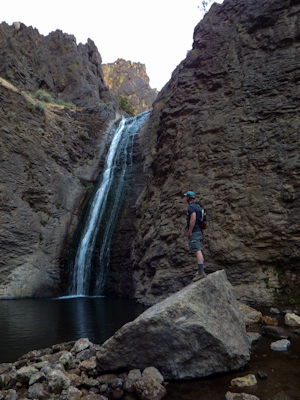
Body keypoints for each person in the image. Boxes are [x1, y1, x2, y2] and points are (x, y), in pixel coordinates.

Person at [184, 190, 206, 282]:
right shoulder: (197, 206)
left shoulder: (191, 207)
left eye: (186, 197)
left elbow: (193, 219)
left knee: (197, 250)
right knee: (198, 249)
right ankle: (200, 270)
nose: (186, 198)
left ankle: (201, 272)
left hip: (195, 231)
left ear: (188, 198)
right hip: (199, 230)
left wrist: (190, 231)